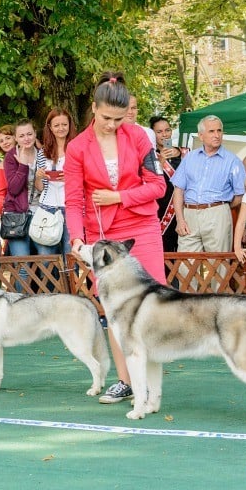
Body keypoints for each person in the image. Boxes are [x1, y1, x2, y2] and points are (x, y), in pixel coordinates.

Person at [65, 73, 166, 406]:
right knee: (114, 309)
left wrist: (118, 197)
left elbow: (158, 187)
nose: (111, 124)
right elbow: (74, 200)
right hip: (102, 235)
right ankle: (125, 381)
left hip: (141, 227)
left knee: (151, 304)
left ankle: (150, 383)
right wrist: (77, 238)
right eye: (106, 117)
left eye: (119, 119)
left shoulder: (139, 137)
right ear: (93, 108)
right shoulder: (77, 146)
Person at [171, 115, 246, 252]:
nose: (217, 135)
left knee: (218, 266)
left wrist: (220, 208)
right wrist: (180, 220)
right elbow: (178, 190)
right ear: (201, 135)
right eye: (211, 131)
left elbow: (240, 195)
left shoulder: (233, 161)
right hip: (189, 214)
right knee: (185, 268)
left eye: (219, 131)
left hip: (218, 213)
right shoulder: (189, 157)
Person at [36, 108, 77, 255]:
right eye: (56, 125)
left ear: (70, 125)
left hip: (72, 208)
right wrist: (39, 176)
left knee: (71, 256)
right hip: (48, 207)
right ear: (50, 128)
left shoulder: (78, 148)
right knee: (46, 258)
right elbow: (40, 188)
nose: (61, 128)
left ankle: (70, 280)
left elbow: (88, 182)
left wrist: (71, 179)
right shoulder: (43, 152)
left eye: (64, 124)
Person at [2, 119, 43, 256]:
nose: (26, 139)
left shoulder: (43, 154)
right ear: (15, 138)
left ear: (35, 133)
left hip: (42, 213)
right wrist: (23, 166)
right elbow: (13, 189)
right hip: (17, 214)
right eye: (21, 136)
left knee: (46, 260)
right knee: (22, 262)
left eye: (29, 134)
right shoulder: (11, 157)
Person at [149, 116, 184, 253]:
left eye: (167, 130)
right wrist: (161, 161)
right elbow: (150, 181)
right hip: (162, 212)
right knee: (164, 251)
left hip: (183, 212)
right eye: (159, 132)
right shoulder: (150, 157)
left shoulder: (185, 153)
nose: (165, 134)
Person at [0, 124, 15, 216]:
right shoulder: (2, 166)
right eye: (1, 141)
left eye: (8, 138)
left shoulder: (32, 157)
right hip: (13, 211)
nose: (5, 142)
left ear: (16, 138)